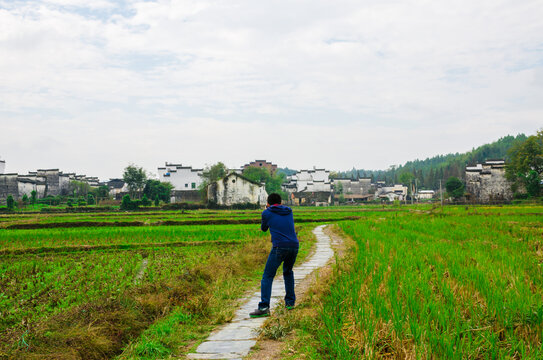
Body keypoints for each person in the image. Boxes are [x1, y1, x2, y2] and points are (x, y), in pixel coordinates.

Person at [250, 193, 299, 318]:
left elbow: (264, 228)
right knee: (288, 272)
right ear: (281, 202)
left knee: (268, 276)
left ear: (268, 203)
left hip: (279, 247)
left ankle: (264, 307)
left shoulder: (266, 213)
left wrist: (266, 210)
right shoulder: (289, 211)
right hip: (294, 245)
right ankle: (290, 303)